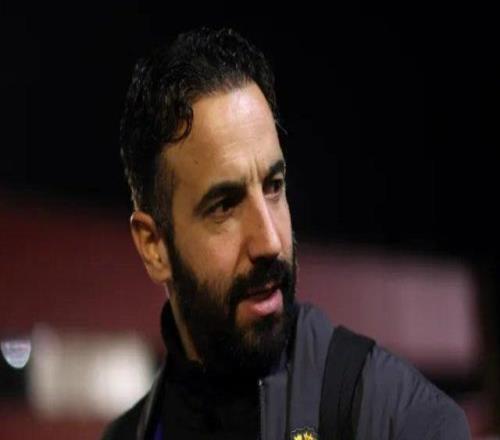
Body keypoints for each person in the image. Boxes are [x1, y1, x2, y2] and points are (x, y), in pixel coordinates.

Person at [102, 27, 470, 439]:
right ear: (153, 246)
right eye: (224, 206)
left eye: (273, 186)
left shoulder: (399, 418)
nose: (271, 242)